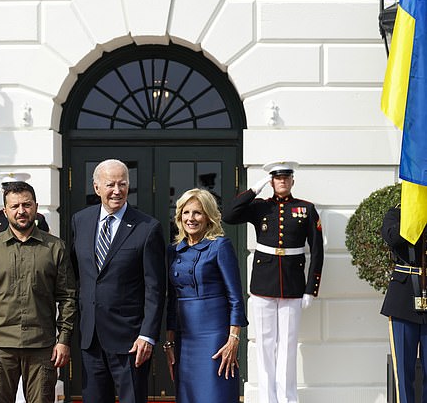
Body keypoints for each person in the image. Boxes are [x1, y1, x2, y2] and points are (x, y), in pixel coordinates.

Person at [222, 161, 324, 403]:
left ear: (292, 181)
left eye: (286, 178)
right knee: (266, 345)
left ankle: (288, 399)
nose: (282, 181)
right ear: (271, 181)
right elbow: (229, 215)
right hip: (263, 283)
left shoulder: (306, 209)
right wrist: (253, 190)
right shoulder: (259, 207)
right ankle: (268, 399)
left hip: (292, 284)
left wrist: (311, 288)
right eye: (277, 178)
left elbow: (318, 251)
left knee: (288, 346)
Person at [0, 180, 76, 403]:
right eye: (15, 206)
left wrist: (63, 339)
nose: (21, 211)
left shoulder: (55, 247)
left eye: (26, 205)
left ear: (35, 207)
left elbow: (67, 297)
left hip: (42, 346)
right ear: (5, 211)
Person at [71, 159, 166, 403]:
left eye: (122, 184)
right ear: (96, 188)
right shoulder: (80, 221)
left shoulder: (147, 227)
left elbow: (155, 288)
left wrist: (147, 335)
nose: (117, 190)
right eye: (110, 184)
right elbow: (77, 277)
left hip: (130, 340)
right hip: (90, 337)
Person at [164, 188, 248, 402]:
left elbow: (235, 298)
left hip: (215, 337)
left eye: (197, 213)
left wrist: (233, 339)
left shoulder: (219, 246)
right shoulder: (173, 251)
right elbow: (172, 300)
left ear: (208, 216)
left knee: (214, 393)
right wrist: (170, 343)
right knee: (188, 395)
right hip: (185, 338)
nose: (190, 218)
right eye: (186, 212)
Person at [380, 206, 427, 403]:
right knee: (404, 372)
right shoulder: (396, 213)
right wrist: (415, 216)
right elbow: (391, 237)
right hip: (403, 298)